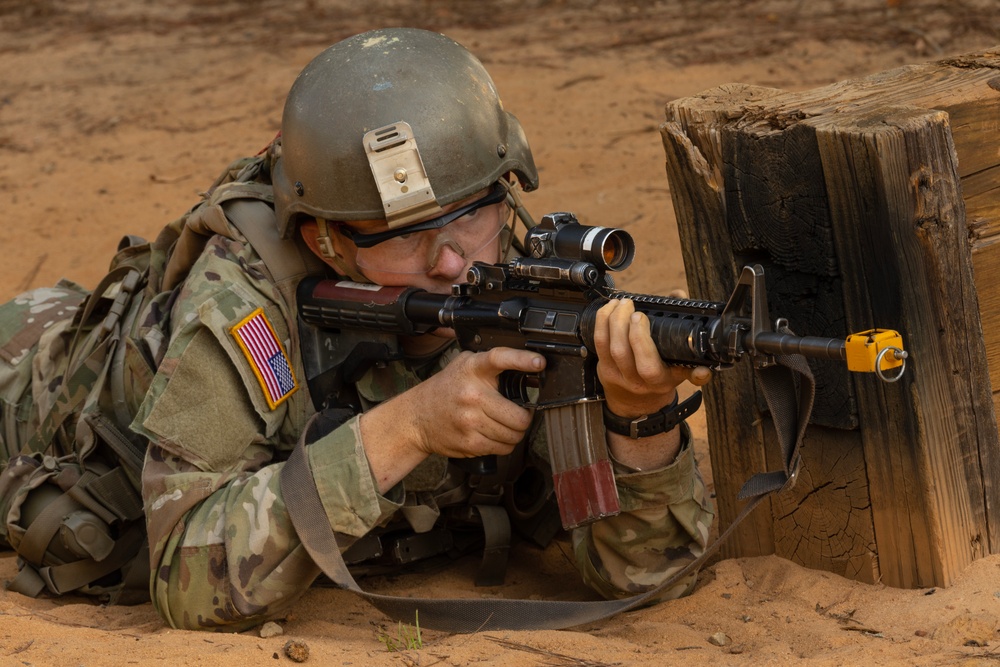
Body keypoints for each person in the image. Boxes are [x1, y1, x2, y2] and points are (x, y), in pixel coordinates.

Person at [0, 27, 714, 631]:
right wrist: (406, 431)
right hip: (32, 380)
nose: (453, 261)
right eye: (404, 239)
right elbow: (185, 574)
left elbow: (647, 574)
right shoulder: (244, 306)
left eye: (474, 213)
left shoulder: (521, 271)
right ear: (325, 241)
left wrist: (636, 418)